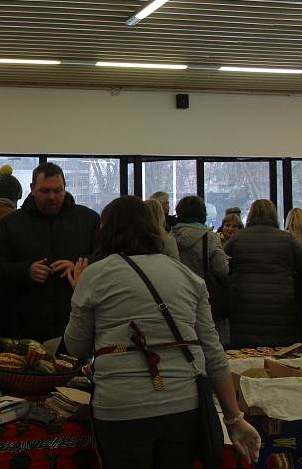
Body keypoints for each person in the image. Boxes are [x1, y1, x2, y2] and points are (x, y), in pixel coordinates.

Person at [64, 196, 260, 469]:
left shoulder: (95, 275)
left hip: (120, 406)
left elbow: (75, 347)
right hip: (182, 405)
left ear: (105, 231)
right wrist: (234, 418)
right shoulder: (187, 277)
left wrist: (78, 296)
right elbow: (213, 353)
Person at [0, 162, 99, 341]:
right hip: (25, 325)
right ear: (32, 188)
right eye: (45, 191)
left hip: (75, 322)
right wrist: (26, 270)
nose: (52, 197)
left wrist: (78, 264)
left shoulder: (88, 220)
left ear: (65, 187)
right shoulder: (12, 223)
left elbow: (105, 259)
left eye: (58, 191)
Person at [225, 199, 302, 347]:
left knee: (245, 357)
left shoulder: (237, 238)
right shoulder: (287, 239)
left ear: (251, 215)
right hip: (281, 306)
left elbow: (223, 268)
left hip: (244, 304)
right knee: (279, 356)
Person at [171, 196, 231, 342]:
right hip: (206, 297)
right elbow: (222, 270)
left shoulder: (169, 238)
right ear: (202, 214)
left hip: (177, 299)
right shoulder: (210, 238)